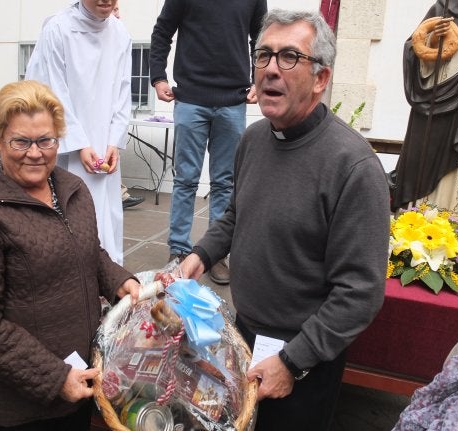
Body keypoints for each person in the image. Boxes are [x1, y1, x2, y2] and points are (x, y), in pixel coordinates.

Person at [180, 9, 390, 430]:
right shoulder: (253, 139)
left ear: (321, 78)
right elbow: (237, 215)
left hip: (305, 355)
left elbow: (359, 294)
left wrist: (292, 362)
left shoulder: (353, 167)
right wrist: (199, 257)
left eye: (290, 56)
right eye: (264, 55)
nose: (271, 69)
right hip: (244, 334)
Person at [0, 80, 140, 431]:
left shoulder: (73, 189)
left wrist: (119, 280)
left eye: (46, 140)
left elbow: (89, 253)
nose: (35, 152)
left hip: (80, 382)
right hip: (19, 409)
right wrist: (55, 377)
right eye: (21, 141)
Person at [149, 0, 267, 285]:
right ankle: (179, 250)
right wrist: (157, 77)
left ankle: (215, 254)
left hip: (233, 101)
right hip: (190, 98)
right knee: (186, 179)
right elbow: (163, 30)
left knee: (225, 181)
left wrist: (258, 79)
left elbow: (261, 38)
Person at [25, 0, 131, 264]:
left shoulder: (120, 33)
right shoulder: (58, 29)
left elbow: (122, 91)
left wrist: (114, 140)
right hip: (68, 144)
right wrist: (80, 143)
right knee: (68, 209)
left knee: (105, 213)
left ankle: (107, 279)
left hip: (104, 144)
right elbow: (53, 91)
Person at [391, 1, 458, 217]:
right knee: (422, 169)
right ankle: (418, 234)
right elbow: (413, 48)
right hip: (434, 110)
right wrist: (433, 39)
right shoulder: (444, 8)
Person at [112, 1, 145, 211]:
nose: (118, 15)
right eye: (116, 10)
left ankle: (120, 193)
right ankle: (120, 194)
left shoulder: (120, 38)